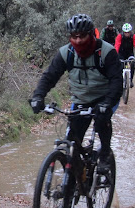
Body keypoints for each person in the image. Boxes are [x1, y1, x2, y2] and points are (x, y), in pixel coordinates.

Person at [30, 14, 122, 173]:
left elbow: (117, 81)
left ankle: (105, 153)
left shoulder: (106, 52)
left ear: (91, 34)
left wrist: (108, 103)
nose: (78, 40)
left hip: (105, 98)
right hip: (81, 100)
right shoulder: (67, 53)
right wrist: (38, 96)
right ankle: (74, 179)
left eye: (82, 36)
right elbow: (50, 76)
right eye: (74, 37)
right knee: (72, 141)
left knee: (101, 120)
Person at [114, 23, 135, 87]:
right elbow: (117, 45)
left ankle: (131, 80)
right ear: (123, 32)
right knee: (120, 66)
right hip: (121, 53)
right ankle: (120, 80)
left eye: (128, 32)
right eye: (125, 32)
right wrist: (115, 54)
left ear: (130, 32)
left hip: (130, 53)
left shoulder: (133, 36)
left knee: (132, 64)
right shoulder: (120, 36)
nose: (127, 34)